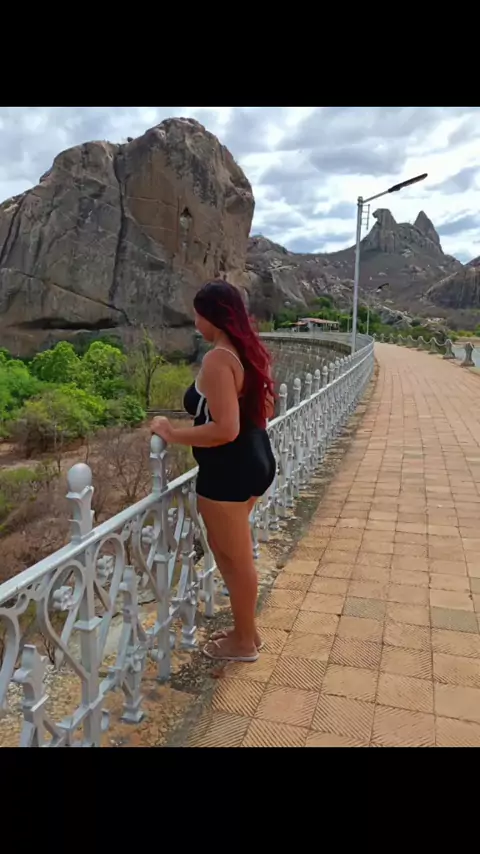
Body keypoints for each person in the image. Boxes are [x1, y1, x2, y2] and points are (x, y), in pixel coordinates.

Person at [150, 280, 276, 663]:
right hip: (254, 459)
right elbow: (263, 408)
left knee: (235, 559)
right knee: (230, 554)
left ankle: (244, 643)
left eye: (198, 315)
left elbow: (225, 429)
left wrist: (172, 434)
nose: (195, 322)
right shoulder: (247, 351)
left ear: (213, 316)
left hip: (228, 472)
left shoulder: (218, 359)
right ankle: (246, 631)